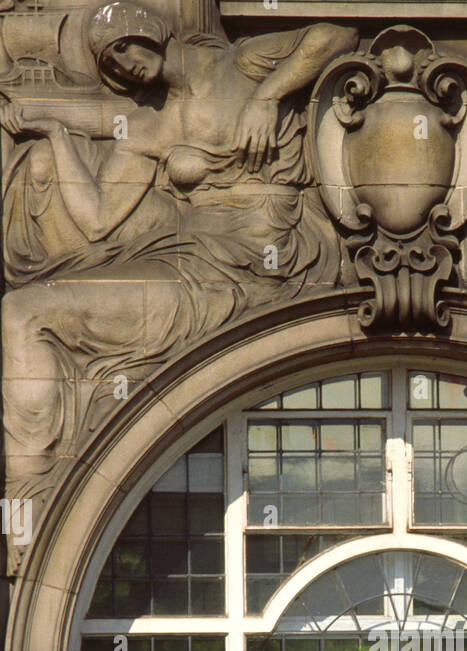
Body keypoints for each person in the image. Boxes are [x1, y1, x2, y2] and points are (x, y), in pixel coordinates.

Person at [0, 3, 357, 511]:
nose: (122, 64)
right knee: (22, 311)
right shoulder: (146, 126)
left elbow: (335, 34)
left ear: (153, 31)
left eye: (123, 45)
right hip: (193, 265)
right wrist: (58, 137)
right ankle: (27, 494)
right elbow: (98, 218)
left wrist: (268, 97)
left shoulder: (244, 63)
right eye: (108, 61)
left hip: (264, 259)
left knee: (24, 313)